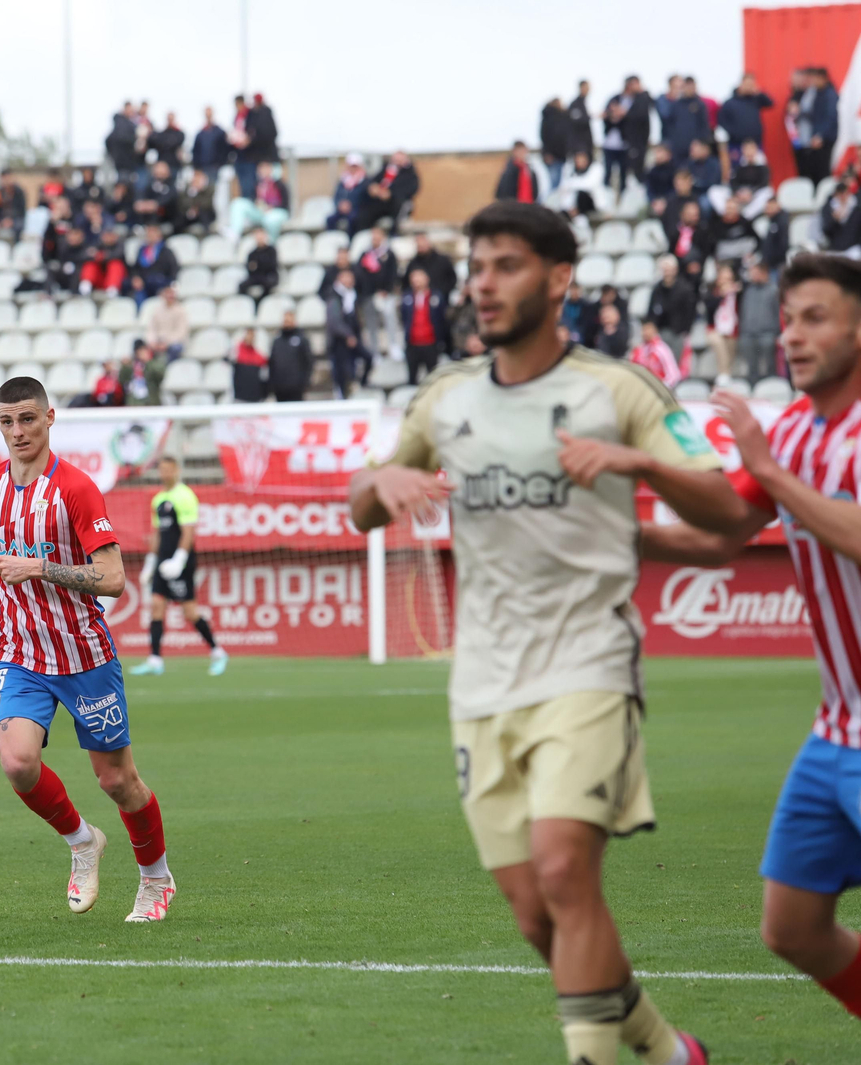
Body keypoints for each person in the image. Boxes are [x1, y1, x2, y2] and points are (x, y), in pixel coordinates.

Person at [349, 201, 735, 1065]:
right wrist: (384, 481)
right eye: (476, 265)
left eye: (506, 265)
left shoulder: (617, 388)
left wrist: (641, 466)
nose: (482, 283)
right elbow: (363, 505)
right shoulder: (445, 398)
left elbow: (732, 516)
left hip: (588, 660)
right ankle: (671, 1051)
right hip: (481, 678)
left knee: (566, 873)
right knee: (538, 915)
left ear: (560, 278)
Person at [640, 252, 861, 1026]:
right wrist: (613, 529)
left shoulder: (799, 445)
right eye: (789, 319)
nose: (792, 337)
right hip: (837, 730)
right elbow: (722, 534)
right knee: (792, 925)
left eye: (817, 318)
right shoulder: (796, 430)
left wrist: (766, 466)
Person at [0, 376, 176, 923]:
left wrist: (41, 566)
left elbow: (114, 578)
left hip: (84, 655)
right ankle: (81, 841)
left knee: (118, 781)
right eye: (6, 421)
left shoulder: (77, 489)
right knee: (18, 762)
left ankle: (156, 877)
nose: (17, 431)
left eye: (27, 419)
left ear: (49, 418)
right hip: (20, 653)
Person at [131, 455, 228, 678]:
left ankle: (217, 651)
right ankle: (155, 659)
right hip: (161, 563)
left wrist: (179, 560)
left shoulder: (185, 496)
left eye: (168, 469)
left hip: (180, 564)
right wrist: (149, 564)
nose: (164, 474)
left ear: (176, 470)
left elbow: (188, 531)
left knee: (190, 612)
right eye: (161, 470)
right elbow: (157, 534)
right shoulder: (158, 499)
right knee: (156, 606)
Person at [355, 227, 401, 359]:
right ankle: (375, 351)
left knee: (390, 320)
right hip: (369, 296)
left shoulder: (389, 254)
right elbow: (360, 275)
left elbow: (393, 274)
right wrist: (368, 292)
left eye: (378, 236)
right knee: (371, 324)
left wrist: (386, 290)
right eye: (373, 236)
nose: (375, 239)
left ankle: (393, 346)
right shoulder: (365, 254)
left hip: (386, 295)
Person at [400, 268, 451, 384]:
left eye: (419, 277)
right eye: (414, 278)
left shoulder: (436, 296)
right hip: (412, 344)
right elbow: (404, 317)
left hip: (431, 343)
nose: (416, 281)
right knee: (412, 379)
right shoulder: (407, 297)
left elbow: (442, 319)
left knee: (433, 378)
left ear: (427, 279)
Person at [354, 151, 421, 235]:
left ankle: (393, 236)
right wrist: (373, 188)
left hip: (396, 204)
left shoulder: (410, 173)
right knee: (364, 212)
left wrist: (391, 194)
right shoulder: (387, 169)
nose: (396, 162)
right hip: (381, 202)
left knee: (398, 209)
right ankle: (362, 234)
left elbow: (411, 189)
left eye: (399, 160)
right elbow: (373, 181)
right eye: (395, 160)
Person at [645, 256, 698, 361]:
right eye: (665, 270)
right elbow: (651, 311)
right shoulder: (657, 289)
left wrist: (685, 330)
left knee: (674, 363)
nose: (667, 273)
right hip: (659, 333)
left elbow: (690, 312)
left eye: (669, 270)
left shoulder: (684, 289)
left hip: (678, 333)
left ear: (675, 270)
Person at [325, 267, 364, 399]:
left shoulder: (353, 295)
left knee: (361, 364)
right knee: (341, 376)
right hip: (339, 343)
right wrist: (348, 335)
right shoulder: (334, 297)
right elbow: (334, 321)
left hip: (352, 342)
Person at [228, 161, 290, 243]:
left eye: (266, 168)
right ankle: (235, 233)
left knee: (270, 220)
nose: (263, 170)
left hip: (276, 212)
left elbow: (285, 204)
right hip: (261, 211)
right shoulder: (257, 184)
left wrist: (272, 207)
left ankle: (271, 243)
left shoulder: (280, 184)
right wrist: (257, 203)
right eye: (261, 168)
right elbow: (253, 199)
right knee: (238, 203)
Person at [739, 260, 781, 381]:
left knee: (770, 364)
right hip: (748, 334)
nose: (752, 276)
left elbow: (778, 312)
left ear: (764, 273)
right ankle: (752, 387)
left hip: (768, 334)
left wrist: (777, 333)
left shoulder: (774, 290)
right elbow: (744, 311)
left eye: (755, 273)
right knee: (751, 366)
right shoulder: (748, 290)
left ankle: (772, 385)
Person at [718, 75, 774, 157]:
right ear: (741, 84)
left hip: (755, 144)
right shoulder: (729, 103)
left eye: (751, 84)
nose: (749, 87)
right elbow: (722, 122)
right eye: (747, 84)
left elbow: (770, 103)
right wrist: (735, 134)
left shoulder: (756, 100)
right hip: (737, 145)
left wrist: (759, 92)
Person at [268, 311, 314, 401]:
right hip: (279, 388)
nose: (287, 323)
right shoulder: (277, 341)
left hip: (296, 388)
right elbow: (272, 363)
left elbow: (308, 361)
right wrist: (272, 384)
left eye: (289, 320)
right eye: (285, 320)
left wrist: (305, 382)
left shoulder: (302, 339)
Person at [129, 224, 179, 306]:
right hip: (144, 282)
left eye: (153, 233)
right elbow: (135, 267)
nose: (150, 236)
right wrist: (136, 277)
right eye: (148, 233)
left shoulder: (166, 251)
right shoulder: (141, 250)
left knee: (154, 281)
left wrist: (169, 285)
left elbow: (173, 268)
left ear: (159, 235)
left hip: (160, 282)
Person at [704, 270, 741, 377]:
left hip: (732, 331)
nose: (726, 282)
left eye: (729, 279)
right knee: (720, 345)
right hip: (714, 330)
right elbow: (709, 308)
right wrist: (721, 295)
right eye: (723, 278)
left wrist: (734, 290)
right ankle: (724, 376)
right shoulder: (711, 292)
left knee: (730, 356)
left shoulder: (736, 294)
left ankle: (727, 377)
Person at [404, 232, 457, 301]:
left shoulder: (442, 261)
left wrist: (441, 292)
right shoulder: (413, 263)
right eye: (418, 244)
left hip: (441, 301)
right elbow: (406, 283)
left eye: (422, 242)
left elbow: (452, 279)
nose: (421, 246)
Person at [630, 320, 681, 387]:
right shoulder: (639, 349)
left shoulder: (662, 349)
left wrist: (662, 388)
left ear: (655, 330)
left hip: (658, 389)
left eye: (648, 329)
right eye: (643, 329)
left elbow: (674, 375)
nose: (645, 332)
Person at [326, 152, 368, 234]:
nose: (353, 168)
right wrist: (340, 205)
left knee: (353, 220)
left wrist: (350, 205)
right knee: (330, 220)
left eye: (355, 166)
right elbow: (336, 196)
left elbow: (364, 198)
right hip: (341, 210)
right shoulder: (343, 180)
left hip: (356, 210)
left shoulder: (364, 181)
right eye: (351, 166)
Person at [147, 284, 189, 362]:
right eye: (167, 293)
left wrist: (166, 343)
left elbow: (181, 332)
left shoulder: (181, 311)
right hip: (158, 341)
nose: (170, 296)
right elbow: (152, 329)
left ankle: (168, 370)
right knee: (141, 347)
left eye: (171, 293)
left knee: (175, 348)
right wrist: (152, 342)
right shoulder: (157, 310)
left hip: (174, 342)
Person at [190, 107, 230, 186]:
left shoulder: (219, 132)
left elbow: (224, 149)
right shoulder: (200, 134)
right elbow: (195, 150)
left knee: (212, 188)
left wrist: (220, 163)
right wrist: (196, 167)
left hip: (214, 167)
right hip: (202, 167)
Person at [119, 340, 166, 405]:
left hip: (151, 403)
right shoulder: (131, 366)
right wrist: (125, 366)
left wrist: (148, 362)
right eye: (138, 351)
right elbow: (122, 380)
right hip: (134, 404)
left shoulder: (154, 363)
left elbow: (160, 376)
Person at [541, 98, 573, 190]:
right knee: (553, 184)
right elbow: (544, 137)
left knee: (558, 183)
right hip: (552, 157)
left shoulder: (562, 117)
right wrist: (547, 153)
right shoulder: (548, 117)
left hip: (561, 155)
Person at [240, 229, 279, 303]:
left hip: (269, 276)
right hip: (257, 277)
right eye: (257, 236)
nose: (259, 238)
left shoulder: (271, 250)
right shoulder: (252, 253)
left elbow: (272, 266)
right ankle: (250, 303)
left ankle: (262, 303)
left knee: (268, 284)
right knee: (242, 286)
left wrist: (257, 265)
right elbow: (250, 269)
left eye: (261, 236)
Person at [173, 169, 216, 237]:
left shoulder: (210, 188)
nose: (196, 182)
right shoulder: (188, 189)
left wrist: (200, 192)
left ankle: (207, 236)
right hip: (190, 214)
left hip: (205, 214)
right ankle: (176, 237)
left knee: (204, 214)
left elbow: (208, 204)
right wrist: (192, 194)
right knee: (179, 218)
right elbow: (182, 204)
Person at [230, 328, 268, 402]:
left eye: (252, 335)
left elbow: (264, 376)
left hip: (255, 398)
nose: (250, 337)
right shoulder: (236, 352)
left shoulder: (258, 356)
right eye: (248, 334)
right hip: (240, 397)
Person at [0, 172, 28, 243]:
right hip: (1, 219)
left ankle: (16, 246)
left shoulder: (19, 192)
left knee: (19, 227)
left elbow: (21, 211)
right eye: (4, 178)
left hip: (16, 219)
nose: (7, 181)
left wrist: (11, 220)